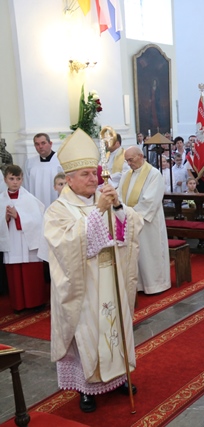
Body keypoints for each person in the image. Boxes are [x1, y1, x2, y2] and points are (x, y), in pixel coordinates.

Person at [44, 129, 143, 413]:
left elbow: (131, 226)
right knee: (88, 333)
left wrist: (118, 206)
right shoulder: (58, 210)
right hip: (85, 286)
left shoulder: (104, 198)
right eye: (85, 174)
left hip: (110, 277)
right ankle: (86, 388)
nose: (93, 178)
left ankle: (119, 375)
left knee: (114, 328)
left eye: (93, 173)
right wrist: (99, 211)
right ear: (69, 180)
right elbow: (65, 245)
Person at [119, 146, 171, 295]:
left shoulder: (154, 174)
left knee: (149, 253)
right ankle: (138, 284)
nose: (129, 163)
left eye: (131, 160)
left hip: (148, 224)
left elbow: (150, 201)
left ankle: (155, 284)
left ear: (140, 156)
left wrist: (129, 213)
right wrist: (121, 211)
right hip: (130, 221)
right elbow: (119, 196)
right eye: (127, 161)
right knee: (136, 254)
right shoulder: (126, 175)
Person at [0, 165, 48, 311]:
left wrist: (19, 216)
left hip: (28, 243)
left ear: (22, 180)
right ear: (5, 179)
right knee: (15, 274)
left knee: (30, 273)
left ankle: (36, 303)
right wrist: (5, 218)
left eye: (18, 179)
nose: (15, 182)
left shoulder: (29, 199)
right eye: (11, 178)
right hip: (12, 242)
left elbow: (38, 220)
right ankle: (19, 305)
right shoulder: (1, 200)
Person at [24, 133, 63, 208]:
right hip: (36, 206)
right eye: (37, 144)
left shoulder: (60, 161)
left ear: (50, 144)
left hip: (56, 205)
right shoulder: (30, 163)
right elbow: (26, 186)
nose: (40, 147)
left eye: (43, 143)